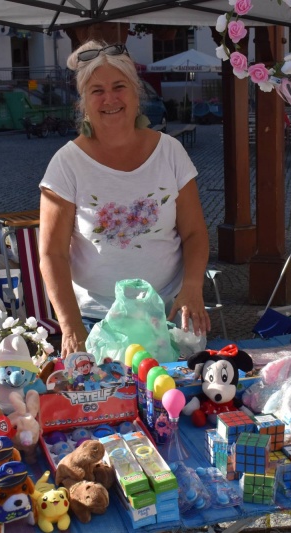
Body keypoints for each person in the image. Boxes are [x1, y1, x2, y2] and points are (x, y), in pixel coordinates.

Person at [38, 40, 211, 356]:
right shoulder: (66, 164)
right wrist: (71, 327)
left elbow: (195, 234)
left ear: (136, 93)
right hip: (97, 323)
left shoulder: (171, 153)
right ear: (84, 102)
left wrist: (192, 287)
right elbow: (52, 254)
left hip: (169, 314)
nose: (110, 99)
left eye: (119, 87)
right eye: (97, 91)